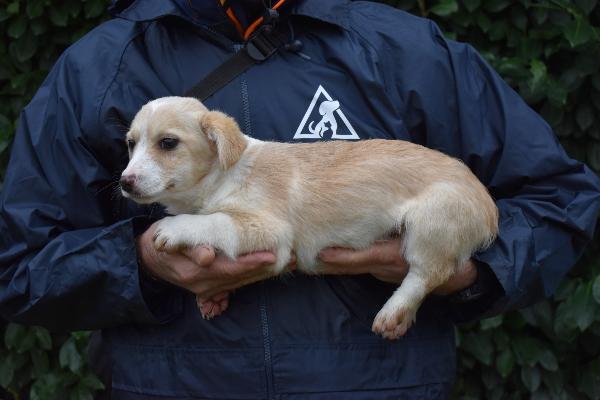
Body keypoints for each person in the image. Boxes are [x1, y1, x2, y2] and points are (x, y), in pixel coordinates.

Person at [1, 0, 599, 399]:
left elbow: (559, 200)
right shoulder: (100, 66)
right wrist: (142, 265)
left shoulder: (405, 51)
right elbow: (19, 266)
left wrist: (458, 270)